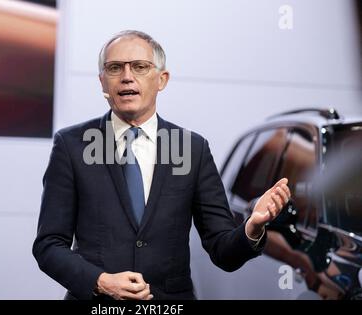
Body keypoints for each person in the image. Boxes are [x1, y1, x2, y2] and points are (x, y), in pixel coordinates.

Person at [32, 30, 291, 300]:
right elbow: (49, 245)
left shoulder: (193, 149)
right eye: (115, 68)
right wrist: (101, 281)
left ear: (162, 79)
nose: (127, 76)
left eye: (140, 67)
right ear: (102, 82)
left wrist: (253, 227)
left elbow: (223, 251)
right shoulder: (71, 145)